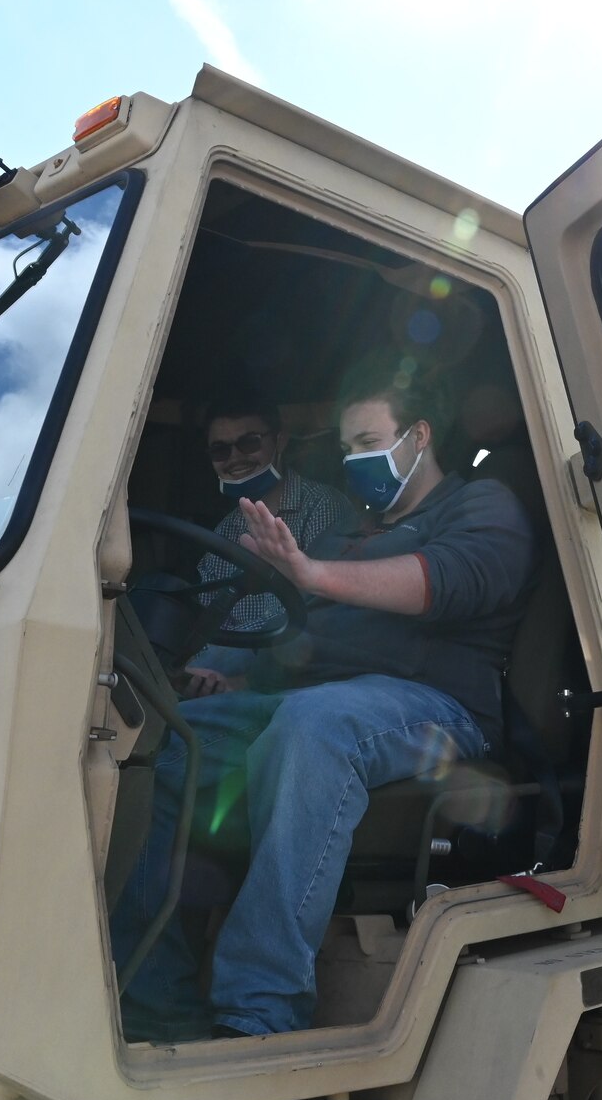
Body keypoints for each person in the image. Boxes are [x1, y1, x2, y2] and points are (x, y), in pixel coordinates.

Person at [112, 364, 535, 1040]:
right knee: (164, 736)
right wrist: (242, 683)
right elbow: (308, 643)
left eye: (368, 439)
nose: (353, 460)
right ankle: (155, 1000)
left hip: (435, 707)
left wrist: (312, 572)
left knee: (314, 726)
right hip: (321, 697)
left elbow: (448, 582)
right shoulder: (352, 535)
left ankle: (258, 1006)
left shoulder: (480, 505)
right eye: (346, 448)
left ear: (418, 436)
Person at [186, 394, 353, 697]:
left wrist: (245, 683)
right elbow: (209, 628)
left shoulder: (323, 507)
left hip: (302, 671)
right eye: (220, 450)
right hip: (230, 667)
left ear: (280, 440)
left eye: (249, 443)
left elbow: (328, 620)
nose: (235, 458)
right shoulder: (221, 534)